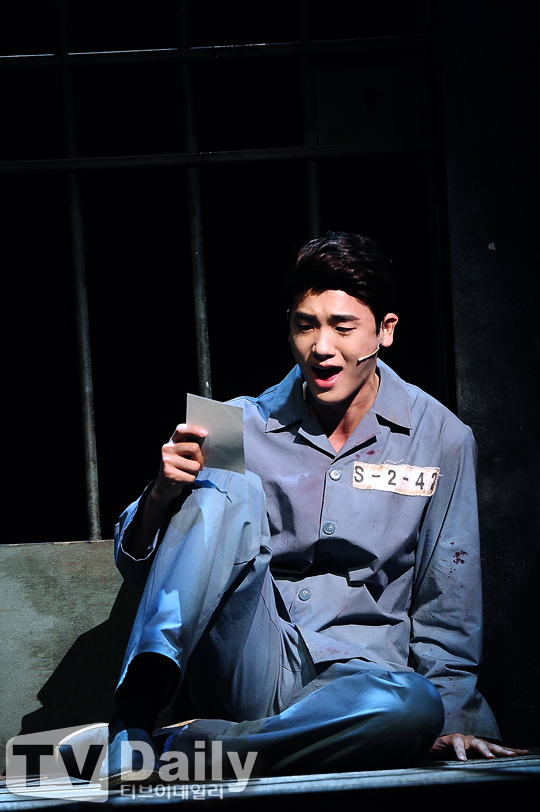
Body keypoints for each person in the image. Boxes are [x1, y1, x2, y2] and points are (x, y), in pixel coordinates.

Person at [95, 232, 527, 785]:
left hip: (362, 686)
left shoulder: (441, 437)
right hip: (253, 662)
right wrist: (161, 494)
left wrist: (458, 717)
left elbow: (448, 602)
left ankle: (185, 746)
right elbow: (137, 567)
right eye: (306, 325)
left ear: (385, 330)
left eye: (342, 328)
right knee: (230, 482)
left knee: (414, 708)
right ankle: (134, 712)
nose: (321, 346)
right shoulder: (237, 422)